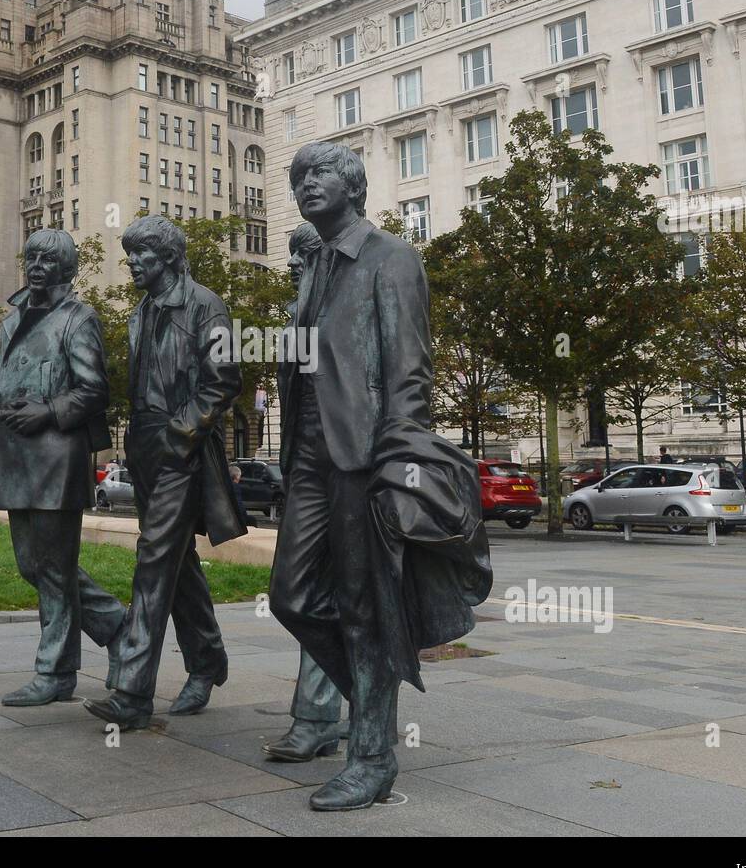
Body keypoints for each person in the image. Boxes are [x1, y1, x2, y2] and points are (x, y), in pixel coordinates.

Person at [270, 141, 485, 811]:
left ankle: (371, 755)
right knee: (292, 596)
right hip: (307, 456)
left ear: (353, 185)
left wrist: (399, 460)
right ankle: (369, 703)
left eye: (322, 174)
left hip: (364, 456)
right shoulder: (315, 270)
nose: (308, 184)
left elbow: (409, 372)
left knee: (366, 610)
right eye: (300, 177)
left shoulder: (391, 259)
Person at [84, 215, 247, 731]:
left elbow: (224, 381)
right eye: (130, 254)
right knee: (177, 562)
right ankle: (208, 660)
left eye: (142, 255)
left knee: (153, 558)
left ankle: (132, 692)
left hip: (184, 447)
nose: (132, 263)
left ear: (170, 258)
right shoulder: (139, 314)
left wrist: (181, 434)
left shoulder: (206, 305)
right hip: (146, 448)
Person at [0, 229, 128, 707]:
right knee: (35, 565)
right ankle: (118, 627)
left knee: (51, 565)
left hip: (56, 454)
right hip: (15, 455)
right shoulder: (10, 322)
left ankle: (54, 671)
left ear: (67, 268)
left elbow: (94, 389)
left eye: (49, 259)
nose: (37, 265)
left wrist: (46, 411)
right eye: (32, 257)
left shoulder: (79, 318)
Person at [262, 221, 345, 764]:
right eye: (292, 256)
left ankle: (319, 717)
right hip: (306, 468)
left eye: (305, 255)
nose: (293, 264)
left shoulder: (352, 305)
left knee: (347, 594)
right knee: (293, 592)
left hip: (352, 466)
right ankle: (356, 694)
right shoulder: (294, 318)